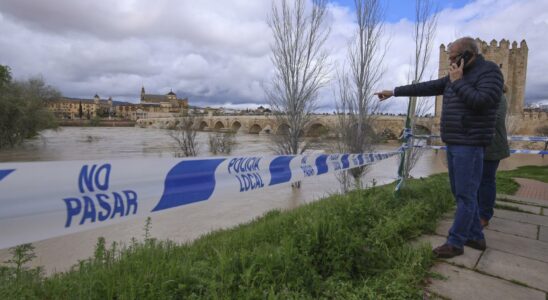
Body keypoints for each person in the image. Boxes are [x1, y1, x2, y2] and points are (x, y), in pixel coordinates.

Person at [374, 37, 503, 258]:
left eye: (453, 57)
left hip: (470, 143)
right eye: (449, 57)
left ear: (468, 54)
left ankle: (456, 242)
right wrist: (394, 91)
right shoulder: (455, 73)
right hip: (454, 141)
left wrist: (458, 81)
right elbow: (428, 87)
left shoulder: (489, 72)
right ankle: (475, 236)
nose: (450, 61)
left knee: (466, 195)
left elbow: (483, 101)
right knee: (460, 193)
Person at [478, 85, 510, 227]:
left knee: (486, 180)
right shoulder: (485, 95)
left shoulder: (500, 97)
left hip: (493, 145)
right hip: (479, 143)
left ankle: (484, 215)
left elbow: (495, 119)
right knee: (477, 180)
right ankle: (476, 211)